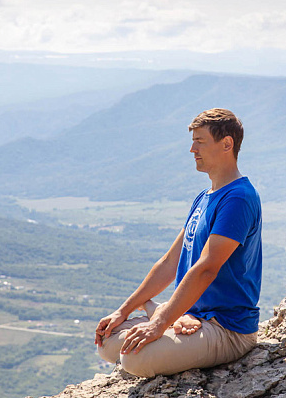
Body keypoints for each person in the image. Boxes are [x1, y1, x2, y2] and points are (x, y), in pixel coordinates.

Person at [94, 108, 262, 378]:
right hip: (192, 316)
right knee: (107, 339)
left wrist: (160, 322)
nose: (193, 149)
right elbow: (170, 262)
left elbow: (207, 268)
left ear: (227, 144)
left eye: (200, 142)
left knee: (132, 358)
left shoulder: (238, 198)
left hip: (227, 329)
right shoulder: (205, 197)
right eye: (193, 141)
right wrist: (123, 311)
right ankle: (171, 316)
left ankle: (165, 315)